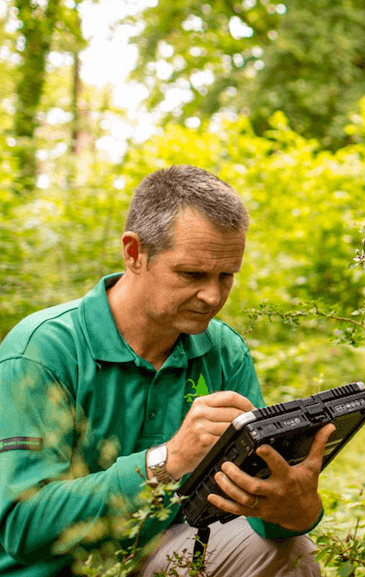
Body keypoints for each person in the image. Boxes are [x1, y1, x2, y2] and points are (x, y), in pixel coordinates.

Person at [0, 165, 334, 577]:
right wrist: (165, 461)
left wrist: (295, 508)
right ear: (133, 253)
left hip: (162, 556)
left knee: (287, 547)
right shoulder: (43, 351)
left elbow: (258, 518)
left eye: (226, 276)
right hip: (51, 570)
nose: (212, 296)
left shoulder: (223, 351)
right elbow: (22, 527)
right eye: (192, 274)